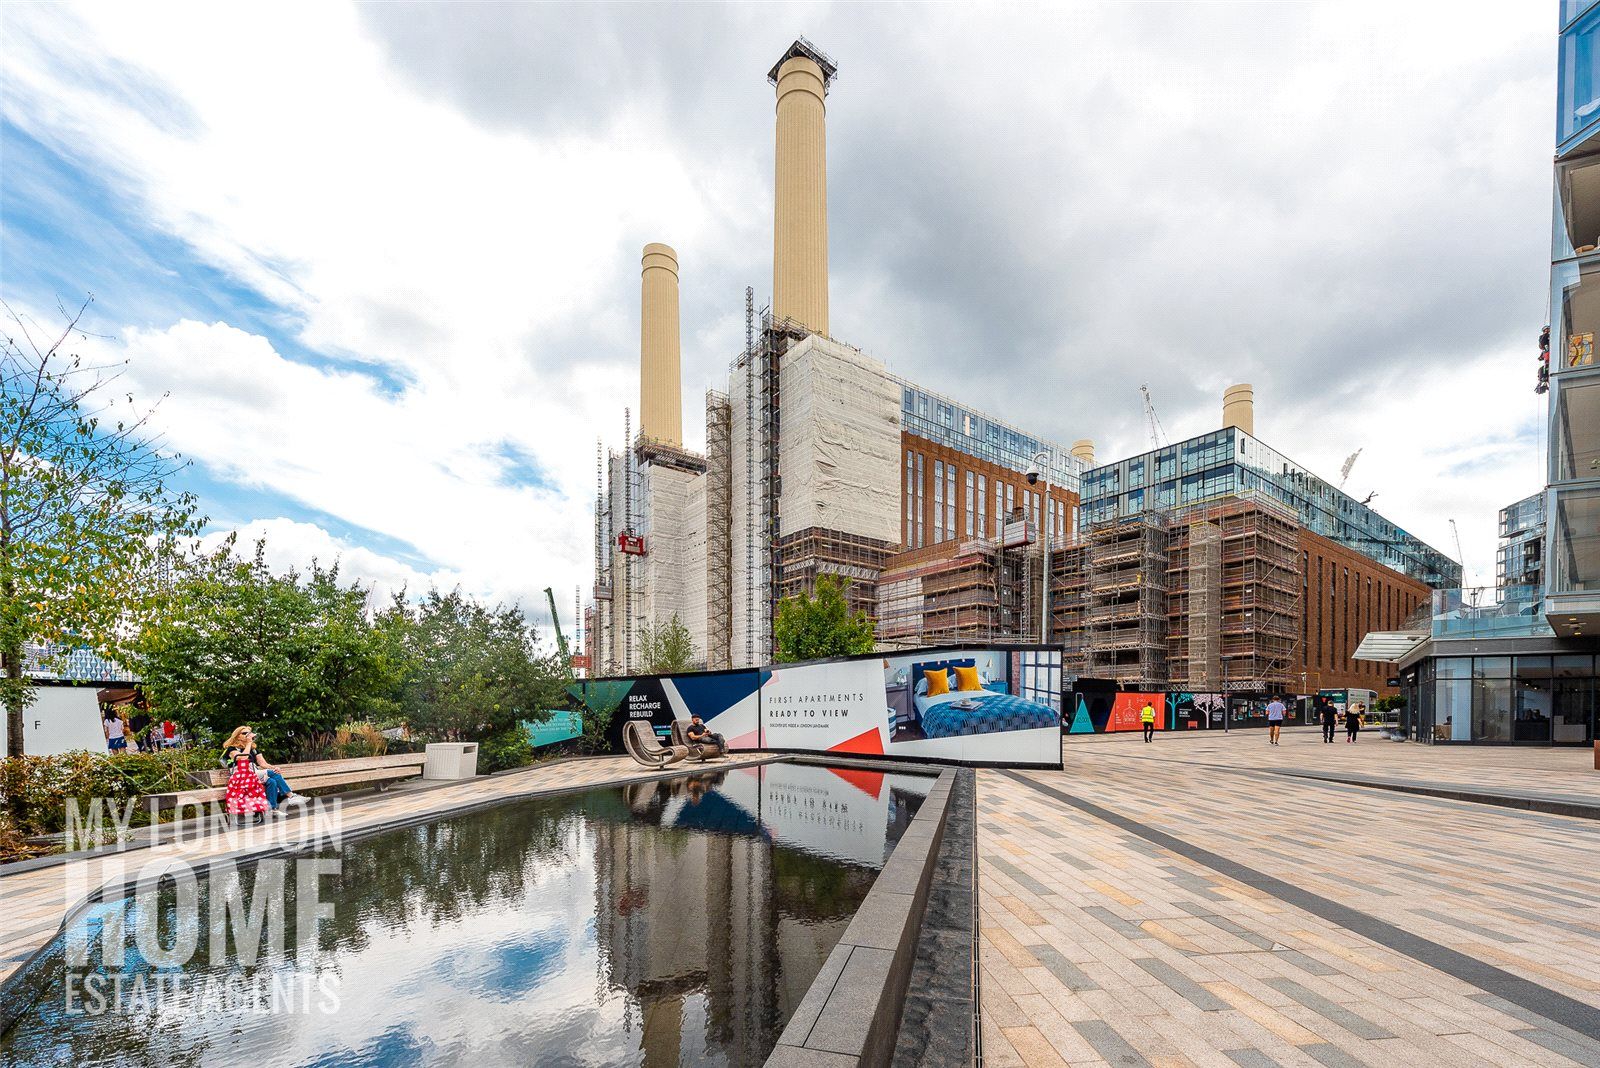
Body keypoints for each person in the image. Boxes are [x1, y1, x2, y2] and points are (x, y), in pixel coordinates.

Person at [221, 726, 304, 822]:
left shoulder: (254, 749)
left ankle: (272, 809)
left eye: (249, 733)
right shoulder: (231, 749)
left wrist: (274, 768)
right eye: (244, 733)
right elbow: (242, 758)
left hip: (253, 773)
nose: (247, 735)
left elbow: (263, 763)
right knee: (272, 775)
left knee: (272, 781)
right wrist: (248, 744)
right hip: (240, 775)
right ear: (237, 736)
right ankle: (291, 796)